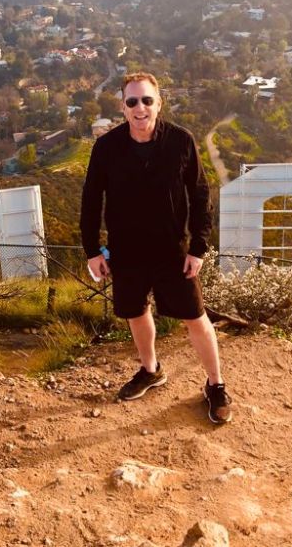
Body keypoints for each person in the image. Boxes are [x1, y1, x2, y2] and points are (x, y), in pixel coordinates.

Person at [80, 71, 232, 424]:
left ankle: (216, 384)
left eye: (147, 100)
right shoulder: (107, 147)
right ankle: (151, 370)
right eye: (132, 101)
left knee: (196, 317)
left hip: (172, 249)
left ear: (158, 104)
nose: (140, 107)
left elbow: (199, 195)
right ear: (122, 107)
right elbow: (91, 200)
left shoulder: (180, 141)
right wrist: (92, 249)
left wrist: (198, 247)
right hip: (126, 250)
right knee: (136, 311)